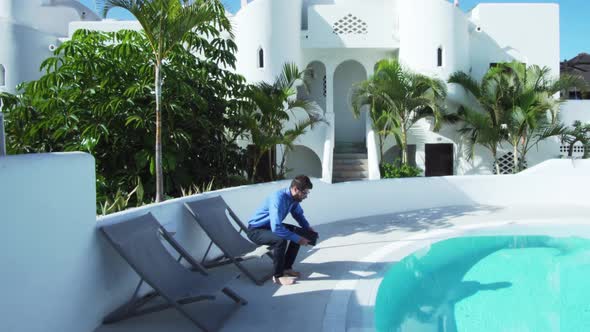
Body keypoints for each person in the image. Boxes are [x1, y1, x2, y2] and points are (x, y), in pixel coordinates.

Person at [246, 175, 317, 285]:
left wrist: (307, 228)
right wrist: (297, 239)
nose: (306, 196)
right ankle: (278, 276)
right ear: (295, 189)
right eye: (304, 193)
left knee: (297, 232)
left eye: (307, 193)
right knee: (280, 239)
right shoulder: (278, 198)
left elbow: (298, 215)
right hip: (256, 230)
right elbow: (277, 227)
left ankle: (287, 268)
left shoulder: (294, 199)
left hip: (269, 226)